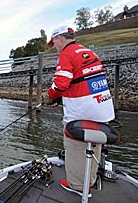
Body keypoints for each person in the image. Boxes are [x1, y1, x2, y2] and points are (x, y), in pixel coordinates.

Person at [43, 25, 115, 196]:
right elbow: (82, 80)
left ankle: (76, 186)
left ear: (60, 38)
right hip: (102, 110)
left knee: (75, 149)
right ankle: (90, 181)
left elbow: (60, 84)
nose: (54, 47)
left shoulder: (66, 55)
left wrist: (50, 96)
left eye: (54, 43)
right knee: (94, 146)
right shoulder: (89, 53)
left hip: (81, 114)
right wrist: (61, 98)